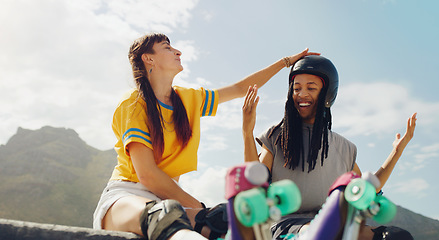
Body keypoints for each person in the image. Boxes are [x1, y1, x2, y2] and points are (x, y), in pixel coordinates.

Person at [92, 32, 319, 240]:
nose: (177, 51)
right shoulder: (133, 104)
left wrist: (286, 62)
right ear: (148, 59)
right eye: (167, 47)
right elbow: (148, 175)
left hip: (170, 202)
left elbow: (241, 89)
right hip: (127, 197)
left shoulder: (188, 99)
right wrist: (199, 209)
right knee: (165, 216)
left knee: (225, 223)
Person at [241, 55, 416, 240]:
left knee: (397, 237)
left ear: (327, 94)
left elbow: (367, 189)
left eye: (311, 88)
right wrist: (247, 131)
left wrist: (397, 152)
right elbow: (255, 182)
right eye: (296, 88)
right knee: (324, 232)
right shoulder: (276, 137)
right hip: (286, 226)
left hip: (334, 224)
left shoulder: (344, 148)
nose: (301, 94)